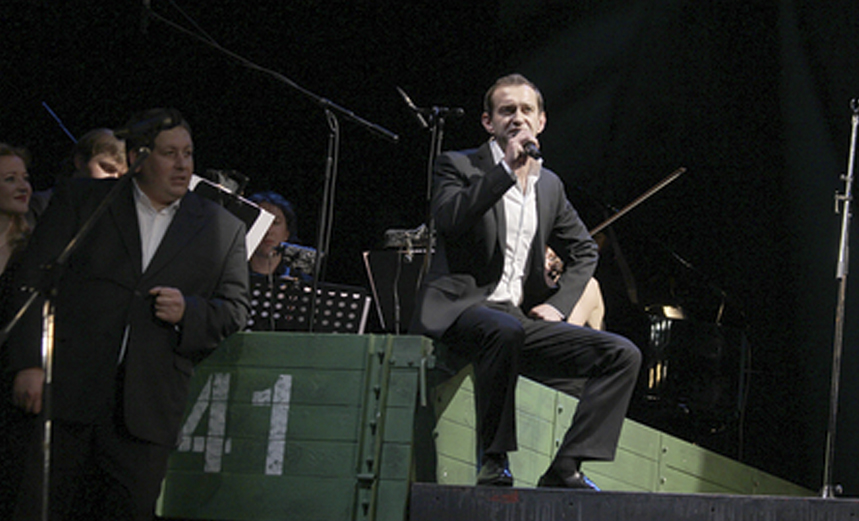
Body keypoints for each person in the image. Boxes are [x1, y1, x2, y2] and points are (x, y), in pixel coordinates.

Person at [6, 108, 250, 520]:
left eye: (188, 153)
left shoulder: (222, 228)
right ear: (138, 158)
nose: (183, 165)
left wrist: (188, 311)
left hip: (147, 410)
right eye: (169, 153)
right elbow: (33, 280)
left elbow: (235, 309)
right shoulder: (85, 200)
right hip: (67, 394)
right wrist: (29, 363)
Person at [410, 74, 641, 490]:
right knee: (504, 330)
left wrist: (560, 305)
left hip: (516, 319)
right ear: (488, 122)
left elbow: (584, 250)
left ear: (541, 121)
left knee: (622, 355)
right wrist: (504, 171)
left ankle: (566, 466)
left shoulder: (548, 185)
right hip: (462, 311)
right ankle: (493, 460)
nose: (517, 118)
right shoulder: (458, 165)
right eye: (506, 110)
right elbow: (450, 219)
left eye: (526, 110)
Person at [0, 143, 34, 521]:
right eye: (10, 179)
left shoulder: (35, 249)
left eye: (24, 178)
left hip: (13, 382)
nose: (23, 186)